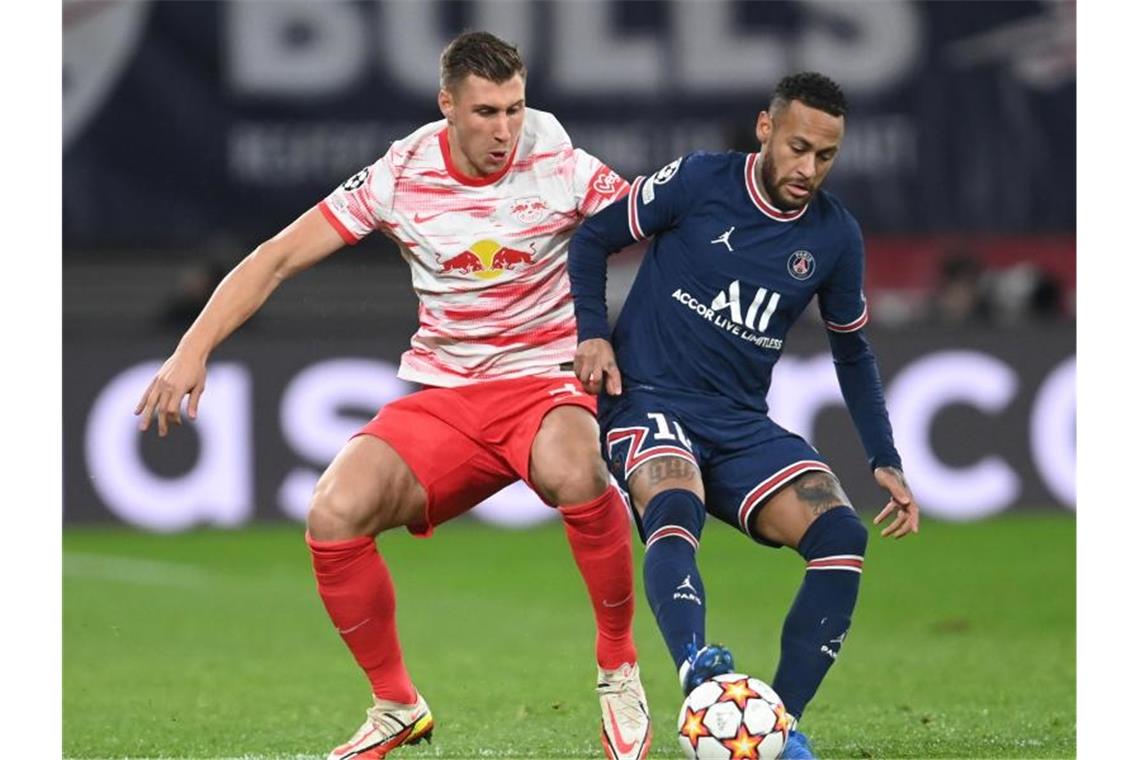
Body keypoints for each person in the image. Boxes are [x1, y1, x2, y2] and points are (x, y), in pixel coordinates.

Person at [135, 31, 651, 760]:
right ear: (447, 105)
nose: (504, 130)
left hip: (544, 384)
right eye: (484, 112)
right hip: (447, 396)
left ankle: (618, 667)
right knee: (333, 510)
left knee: (577, 467)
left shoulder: (560, 162)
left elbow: (653, 225)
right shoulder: (400, 174)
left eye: (514, 108)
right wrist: (192, 348)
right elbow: (277, 257)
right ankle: (396, 706)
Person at [567, 72, 920, 759]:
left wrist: (885, 457)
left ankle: (769, 730)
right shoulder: (699, 181)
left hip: (736, 420)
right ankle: (698, 669)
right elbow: (592, 240)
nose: (808, 169)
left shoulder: (835, 236)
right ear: (766, 129)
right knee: (675, 497)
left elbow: (852, 352)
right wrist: (592, 331)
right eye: (797, 148)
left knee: (843, 535)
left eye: (826, 156)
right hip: (647, 399)